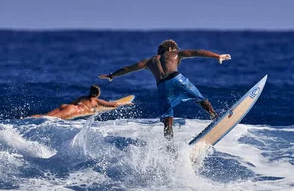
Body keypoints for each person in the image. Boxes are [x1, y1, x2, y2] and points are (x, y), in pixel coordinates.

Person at [98, 39, 231, 139]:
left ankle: (169, 144)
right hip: (177, 79)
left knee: (168, 117)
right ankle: (214, 116)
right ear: (170, 47)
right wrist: (216, 56)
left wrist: (112, 75)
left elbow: (129, 68)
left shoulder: (149, 61)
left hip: (162, 86)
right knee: (199, 98)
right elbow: (196, 52)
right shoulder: (175, 53)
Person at [29, 85, 121, 119]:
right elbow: (113, 105)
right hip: (73, 109)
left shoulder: (83, 97)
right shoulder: (96, 100)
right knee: (48, 119)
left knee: (45, 116)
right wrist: (126, 103)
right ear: (98, 94)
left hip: (66, 106)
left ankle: (27, 118)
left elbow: (72, 103)